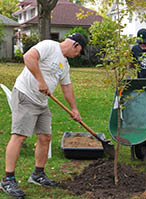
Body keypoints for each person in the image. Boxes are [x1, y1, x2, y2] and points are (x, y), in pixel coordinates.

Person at [0, 32, 87, 198]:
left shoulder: (65, 65)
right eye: (79, 51)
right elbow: (29, 57)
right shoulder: (49, 46)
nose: (77, 55)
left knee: (45, 137)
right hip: (26, 95)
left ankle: (37, 175)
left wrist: (75, 109)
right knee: (19, 136)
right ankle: (7, 179)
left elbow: (66, 87)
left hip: (42, 102)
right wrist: (40, 80)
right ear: (75, 44)